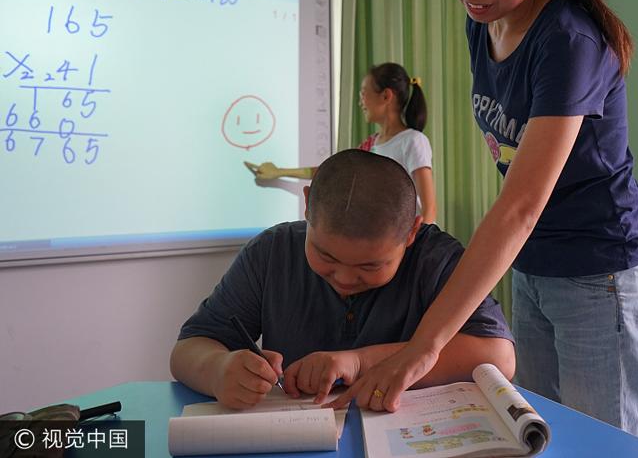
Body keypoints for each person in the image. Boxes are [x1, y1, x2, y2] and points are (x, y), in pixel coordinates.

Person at [331, 0, 638, 439]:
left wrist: (424, 348)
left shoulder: (568, 40)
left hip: (602, 273)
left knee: (602, 444)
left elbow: (519, 208)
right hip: (534, 267)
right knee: (541, 432)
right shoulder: (482, 22)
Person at [172, 149, 514, 409]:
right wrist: (219, 370)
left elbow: (499, 356)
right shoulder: (272, 252)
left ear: (411, 232)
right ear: (307, 207)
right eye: (327, 257)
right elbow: (188, 349)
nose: (346, 278)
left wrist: (361, 361)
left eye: (370, 266)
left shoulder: (435, 260)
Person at [248, 62, 437, 224]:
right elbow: (333, 169)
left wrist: (415, 249)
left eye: (364, 94)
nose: (360, 102)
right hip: (386, 248)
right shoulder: (371, 144)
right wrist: (280, 172)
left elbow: (429, 210)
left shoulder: (413, 141)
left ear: (386, 96)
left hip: (410, 246)